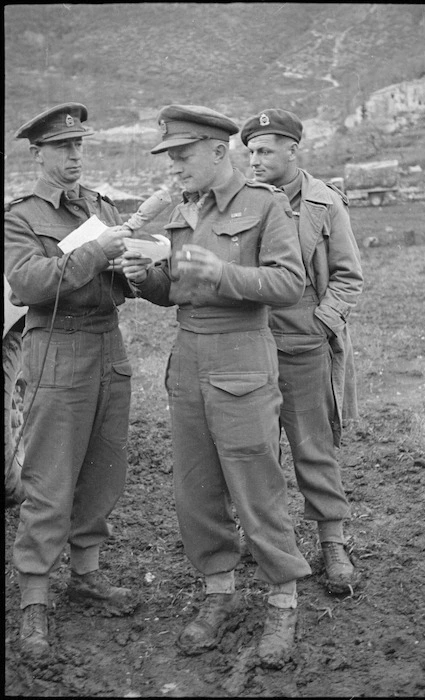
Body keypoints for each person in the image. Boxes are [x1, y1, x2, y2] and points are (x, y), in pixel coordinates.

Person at [121, 104, 312, 668]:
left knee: (256, 482)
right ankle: (219, 592)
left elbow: (288, 281)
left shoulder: (264, 205)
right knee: (195, 487)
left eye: (182, 156)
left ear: (216, 149)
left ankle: (283, 598)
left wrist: (222, 274)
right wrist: (148, 281)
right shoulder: (184, 210)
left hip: (242, 359)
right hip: (188, 359)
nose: (174, 167)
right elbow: (178, 289)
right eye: (169, 157)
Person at [4, 103, 137, 660]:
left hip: (107, 342)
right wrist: (92, 253)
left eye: (80, 146)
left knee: (103, 467)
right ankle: (34, 597)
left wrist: (134, 266)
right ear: (38, 153)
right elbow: (25, 283)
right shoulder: (21, 215)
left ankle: (85, 576)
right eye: (63, 148)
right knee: (49, 477)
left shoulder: (100, 205)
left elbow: (117, 279)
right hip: (55, 345)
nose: (75, 155)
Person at [240, 108, 364, 595]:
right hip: (251, 343)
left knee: (314, 447)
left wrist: (321, 322)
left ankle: (332, 541)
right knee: (256, 448)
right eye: (249, 151)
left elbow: (349, 276)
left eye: (265, 150)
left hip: (305, 341)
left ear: (293, 150)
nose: (255, 160)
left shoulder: (324, 202)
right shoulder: (243, 201)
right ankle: (271, 542)